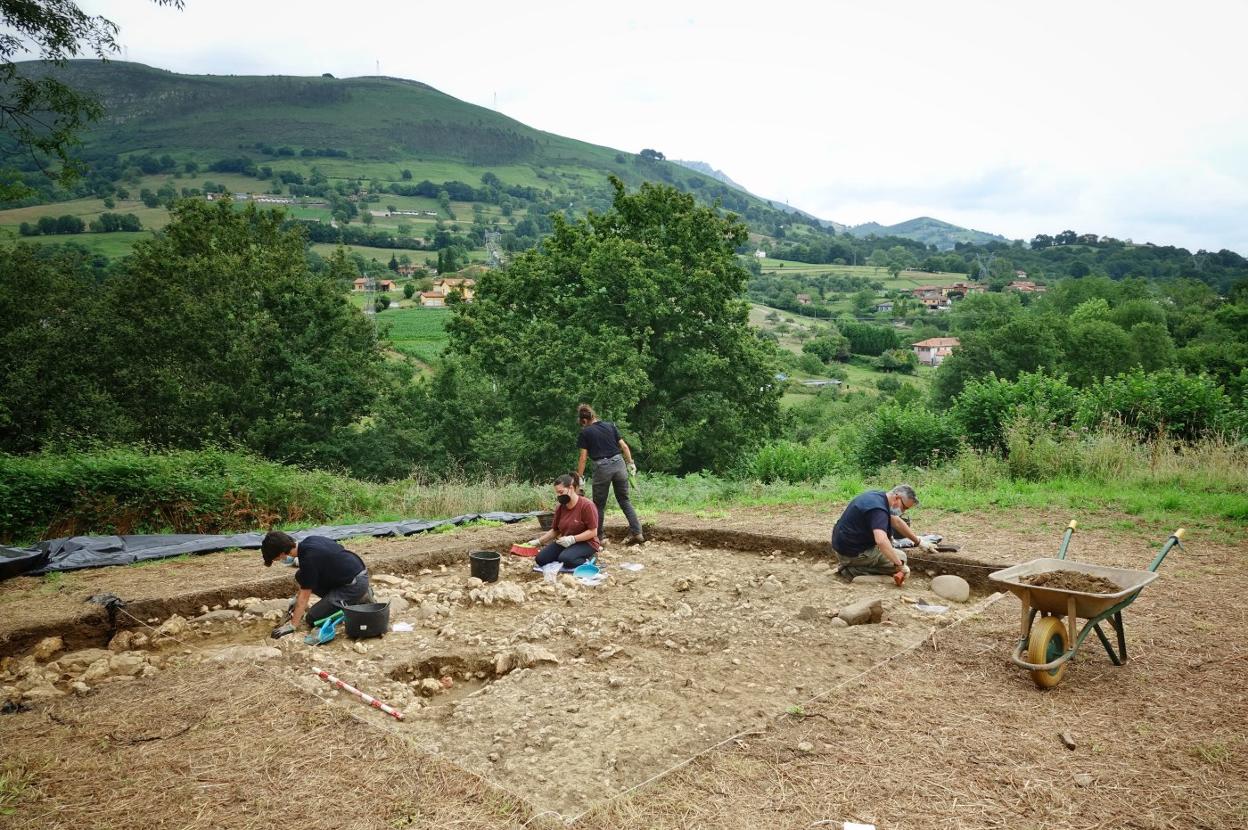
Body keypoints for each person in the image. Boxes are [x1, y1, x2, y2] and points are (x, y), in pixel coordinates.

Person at [262, 531, 372, 638]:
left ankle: (358, 599)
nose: (279, 560)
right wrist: (297, 598)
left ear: (281, 554)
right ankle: (354, 596)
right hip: (355, 573)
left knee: (312, 618)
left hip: (354, 584)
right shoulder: (310, 541)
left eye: (276, 559)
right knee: (300, 575)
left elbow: (304, 598)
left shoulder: (309, 559)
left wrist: (292, 625)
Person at [830, 484, 937, 580]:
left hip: (845, 545)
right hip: (852, 553)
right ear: (897, 497)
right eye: (904, 507)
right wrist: (899, 565)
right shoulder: (878, 510)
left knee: (893, 554)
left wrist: (919, 542)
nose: (903, 511)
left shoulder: (878, 496)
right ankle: (852, 571)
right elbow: (881, 541)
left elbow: (897, 522)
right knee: (901, 557)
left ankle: (854, 564)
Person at [574, 404, 644, 545]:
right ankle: (637, 532)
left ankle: (598, 537)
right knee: (624, 500)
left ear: (583, 421)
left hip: (602, 467)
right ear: (593, 416)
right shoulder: (610, 426)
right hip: (619, 464)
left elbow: (583, 458)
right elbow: (624, 446)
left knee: (598, 505)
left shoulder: (585, 432)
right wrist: (631, 463)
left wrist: (579, 478)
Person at [524, 473, 602, 570]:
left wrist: (573, 539)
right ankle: (568, 554)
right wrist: (538, 541)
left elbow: (593, 532)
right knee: (541, 559)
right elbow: (555, 530)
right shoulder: (561, 507)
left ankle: (590, 558)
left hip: (587, 543)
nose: (558, 495)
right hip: (566, 542)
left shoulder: (587, 505)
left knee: (566, 559)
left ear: (571, 488)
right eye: (557, 493)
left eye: (561, 492)